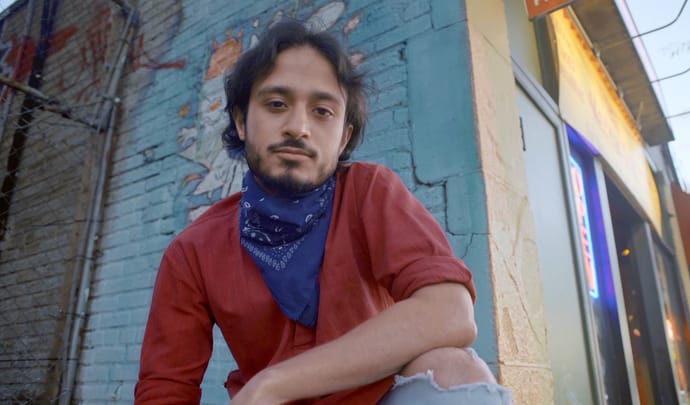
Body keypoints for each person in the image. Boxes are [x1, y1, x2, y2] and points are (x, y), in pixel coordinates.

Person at [134, 19, 512, 405]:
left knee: (455, 370)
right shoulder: (192, 252)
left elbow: (449, 313)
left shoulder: (369, 193)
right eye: (276, 104)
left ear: (344, 136)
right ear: (242, 121)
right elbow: (164, 388)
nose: (298, 127)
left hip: (375, 397)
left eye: (322, 111)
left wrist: (273, 384)